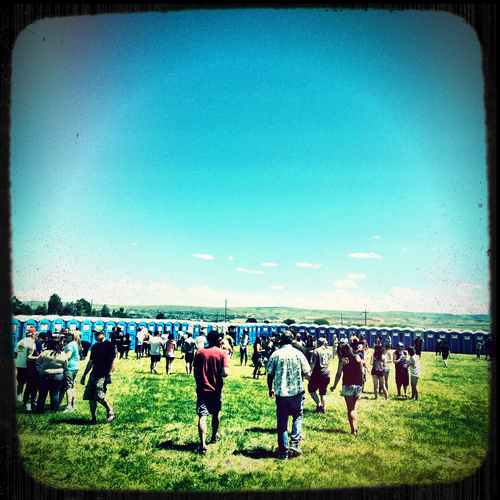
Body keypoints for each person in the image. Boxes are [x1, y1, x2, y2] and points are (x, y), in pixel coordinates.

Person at [266, 330, 311, 459]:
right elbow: (308, 372)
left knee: (282, 422)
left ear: (281, 340)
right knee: (297, 416)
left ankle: (283, 452)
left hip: (281, 393)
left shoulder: (275, 354)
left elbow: (270, 374)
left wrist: (271, 389)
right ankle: (294, 443)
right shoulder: (298, 353)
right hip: (297, 391)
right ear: (292, 340)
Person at [193, 329, 229, 454]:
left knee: (203, 415)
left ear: (207, 339)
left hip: (202, 388)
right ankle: (214, 436)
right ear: (218, 340)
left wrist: (199, 383)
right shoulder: (222, 353)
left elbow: (196, 372)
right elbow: (225, 373)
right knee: (216, 413)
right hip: (216, 388)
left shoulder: (199, 353)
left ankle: (202, 445)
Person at [80, 328, 116, 424]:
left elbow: (114, 360)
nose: (95, 336)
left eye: (97, 334)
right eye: (94, 334)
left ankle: (110, 409)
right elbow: (91, 361)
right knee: (91, 396)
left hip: (103, 374)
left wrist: (110, 374)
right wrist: (84, 375)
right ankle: (93, 418)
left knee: (99, 396)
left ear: (103, 334)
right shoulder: (95, 346)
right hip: (94, 374)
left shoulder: (109, 345)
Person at [330, 339, 364, 435]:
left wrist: (334, 386)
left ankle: (353, 430)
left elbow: (338, 374)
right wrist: (362, 384)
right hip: (358, 385)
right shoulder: (357, 357)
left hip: (348, 384)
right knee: (353, 406)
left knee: (350, 408)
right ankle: (355, 426)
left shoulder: (343, 360)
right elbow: (362, 372)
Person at [35, 334, 68, 413]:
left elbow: (38, 361)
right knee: (54, 393)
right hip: (58, 375)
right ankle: (54, 410)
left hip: (44, 374)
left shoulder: (45, 353)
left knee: (42, 393)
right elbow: (65, 365)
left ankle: (39, 410)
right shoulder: (62, 354)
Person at [23, 331, 47, 411]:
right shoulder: (32, 345)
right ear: (39, 338)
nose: (43, 342)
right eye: (43, 341)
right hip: (31, 370)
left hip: (38, 370)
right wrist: (39, 358)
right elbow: (28, 357)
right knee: (29, 387)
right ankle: (26, 403)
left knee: (36, 387)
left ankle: (33, 402)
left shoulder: (40, 345)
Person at [308, 337, 331, 413]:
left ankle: (319, 405)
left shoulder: (316, 351)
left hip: (318, 374)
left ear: (318, 343)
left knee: (311, 389)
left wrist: (309, 372)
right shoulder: (328, 351)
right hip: (327, 373)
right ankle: (324, 408)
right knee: (323, 392)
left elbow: (313, 363)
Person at [59, 331, 80, 412]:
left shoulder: (70, 345)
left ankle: (68, 406)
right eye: (66, 335)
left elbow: (68, 356)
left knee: (68, 387)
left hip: (69, 368)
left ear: (73, 336)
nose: (66, 336)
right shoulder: (75, 343)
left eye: (69, 335)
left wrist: (60, 356)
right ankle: (73, 405)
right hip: (74, 367)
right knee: (71, 386)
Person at [14, 327, 37, 402]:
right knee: (29, 382)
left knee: (20, 381)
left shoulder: (20, 342)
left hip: (19, 364)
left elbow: (15, 354)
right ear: (32, 335)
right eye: (35, 334)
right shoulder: (31, 343)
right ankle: (28, 397)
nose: (35, 336)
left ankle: (19, 396)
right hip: (28, 365)